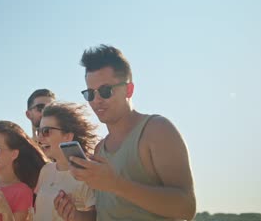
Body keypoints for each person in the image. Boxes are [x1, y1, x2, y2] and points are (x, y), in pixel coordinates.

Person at [54, 45, 196, 220]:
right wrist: (75, 215)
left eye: (105, 91)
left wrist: (116, 184)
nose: (96, 100)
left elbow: (186, 208)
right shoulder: (99, 149)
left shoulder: (157, 130)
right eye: (90, 93)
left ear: (129, 90)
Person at [34, 102, 98, 221]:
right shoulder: (45, 170)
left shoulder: (87, 173)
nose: (39, 138)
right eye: (39, 131)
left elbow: (97, 217)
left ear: (68, 136)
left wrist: (75, 215)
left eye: (46, 131)